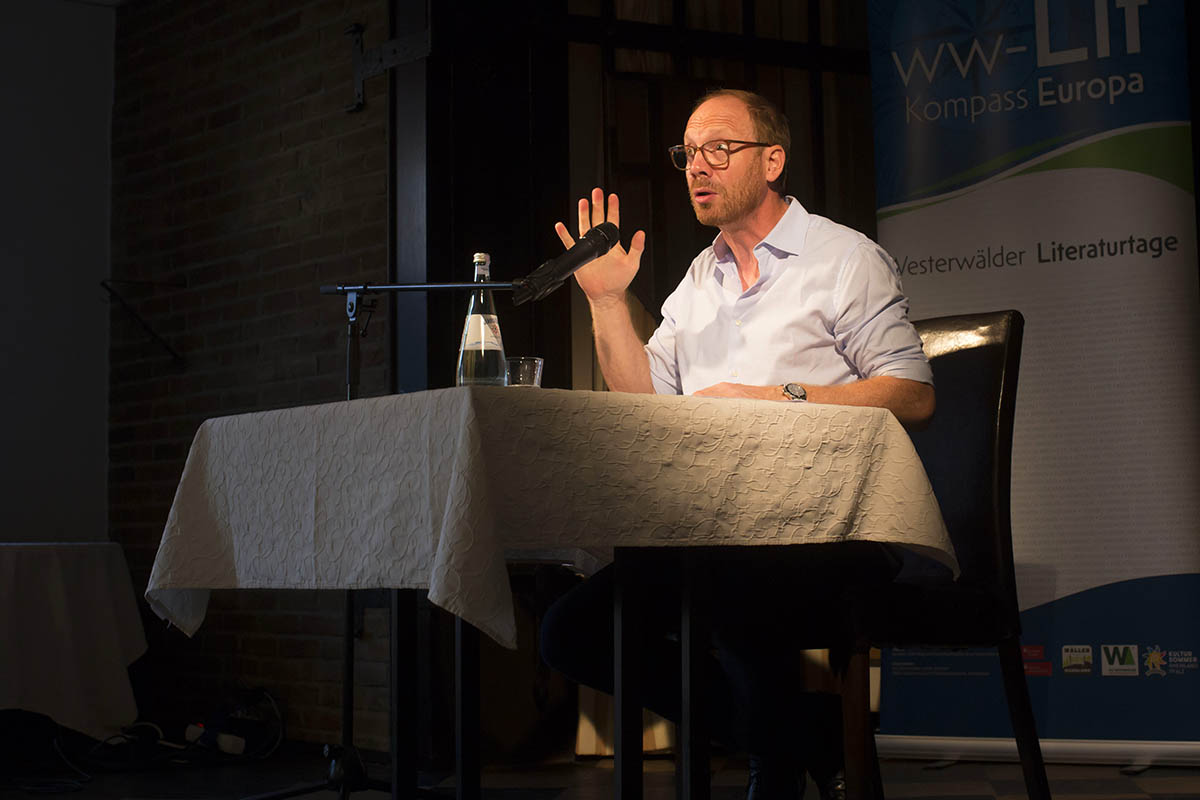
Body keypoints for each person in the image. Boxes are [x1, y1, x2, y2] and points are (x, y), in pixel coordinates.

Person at [539, 89, 934, 800]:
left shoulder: (843, 259)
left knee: (721, 577)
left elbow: (912, 393)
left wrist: (774, 397)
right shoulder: (701, 278)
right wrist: (604, 303)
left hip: (833, 529)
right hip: (716, 533)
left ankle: (774, 763)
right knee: (573, 631)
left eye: (719, 148)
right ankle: (799, 732)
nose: (698, 165)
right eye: (687, 152)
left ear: (773, 159)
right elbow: (643, 407)